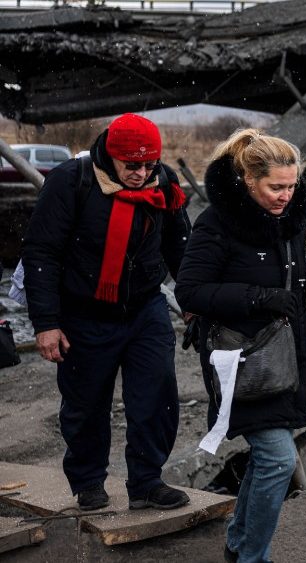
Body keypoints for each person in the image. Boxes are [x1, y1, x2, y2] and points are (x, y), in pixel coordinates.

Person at [174, 129, 306, 563]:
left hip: (288, 356)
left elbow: (286, 279)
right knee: (279, 459)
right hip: (244, 359)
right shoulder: (217, 223)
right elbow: (189, 292)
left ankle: (239, 542)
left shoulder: (291, 218)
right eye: (275, 187)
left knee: (268, 457)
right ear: (248, 179)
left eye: (291, 185)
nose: (286, 195)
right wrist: (259, 299)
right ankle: (252, 558)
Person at [21, 113, 192, 511]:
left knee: (156, 394)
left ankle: (147, 482)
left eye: (149, 165)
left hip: (145, 307)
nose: (141, 173)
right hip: (84, 312)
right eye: (132, 166)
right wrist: (46, 323)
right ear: (111, 155)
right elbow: (41, 253)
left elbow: (181, 248)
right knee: (86, 404)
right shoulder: (71, 181)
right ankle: (88, 482)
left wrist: (195, 303)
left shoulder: (163, 181)